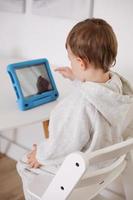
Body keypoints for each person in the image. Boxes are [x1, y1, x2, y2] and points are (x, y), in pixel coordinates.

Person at [17, 18, 133, 199]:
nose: (70, 64)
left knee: (23, 163)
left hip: (78, 173)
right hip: (103, 168)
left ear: (81, 62)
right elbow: (99, 96)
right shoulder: (119, 87)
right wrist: (78, 78)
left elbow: (63, 145)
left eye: (71, 60)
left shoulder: (78, 105)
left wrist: (39, 154)